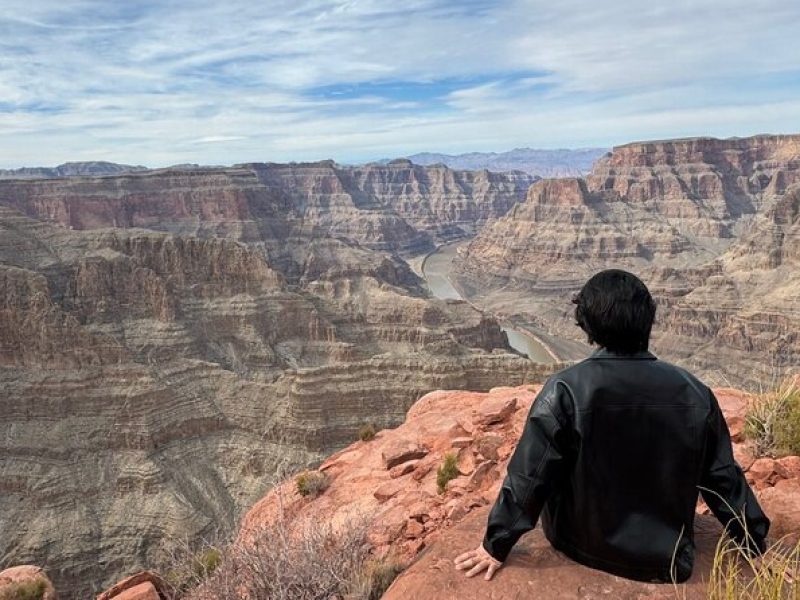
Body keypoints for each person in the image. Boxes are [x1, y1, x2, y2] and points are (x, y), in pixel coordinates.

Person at [454, 269, 770, 583]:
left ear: (587, 325)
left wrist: (495, 545)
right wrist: (754, 541)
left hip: (580, 543)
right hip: (666, 557)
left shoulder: (565, 389)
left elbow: (529, 476)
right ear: (648, 320)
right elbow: (722, 477)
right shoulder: (695, 392)